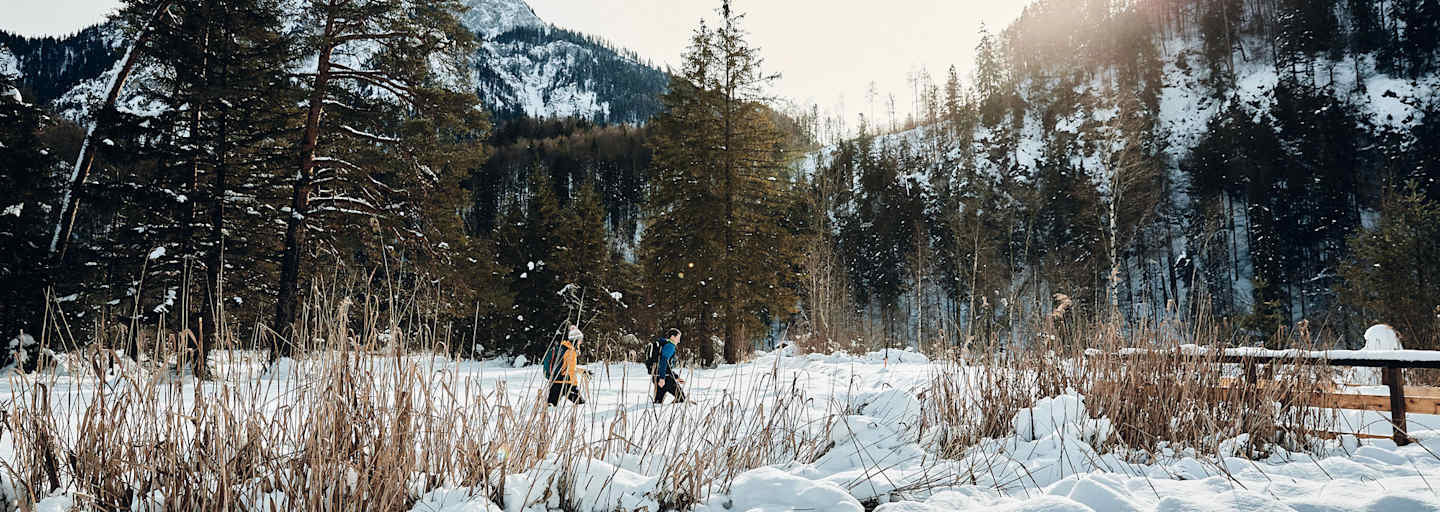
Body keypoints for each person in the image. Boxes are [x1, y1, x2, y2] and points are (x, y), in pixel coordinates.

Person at [547, 324, 587, 406]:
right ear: (576, 339)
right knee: (581, 406)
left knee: (550, 407)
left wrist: (582, 371)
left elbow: (567, 366)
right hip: (568, 382)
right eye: (580, 339)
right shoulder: (570, 351)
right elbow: (569, 368)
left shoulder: (563, 348)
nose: (581, 341)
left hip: (555, 382)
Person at [653, 328, 686, 404]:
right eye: (678, 338)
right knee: (681, 397)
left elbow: (667, 366)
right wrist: (662, 378)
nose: (679, 341)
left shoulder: (666, 345)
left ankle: (657, 414)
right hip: (665, 378)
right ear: (672, 337)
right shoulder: (670, 346)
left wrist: (676, 377)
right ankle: (671, 413)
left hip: (659, 375)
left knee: (658, 402)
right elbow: (663, 362)